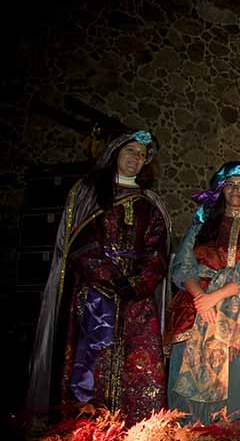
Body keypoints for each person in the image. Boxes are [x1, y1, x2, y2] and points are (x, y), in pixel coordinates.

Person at [27, 130, 171, 423]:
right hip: (95, 296)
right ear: (116, 153)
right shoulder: (89, 193)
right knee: (92, 363)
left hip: (137, 300)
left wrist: (139, 283)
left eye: (142, 155)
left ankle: (137, 433)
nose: (136, 159)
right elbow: (80, 244)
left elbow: (158, 251)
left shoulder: (150, 202)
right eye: (131, 152)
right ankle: (87, 432)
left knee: (139, 365)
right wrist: (110, 279)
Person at [166, 162, 240, 423]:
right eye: (230, 185)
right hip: (193, 306)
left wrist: (214, 297)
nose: (236, 190)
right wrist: (199, 297)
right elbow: (183, 264)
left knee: (233, 372)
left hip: (235, 309)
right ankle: (183, 439)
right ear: (221, 190)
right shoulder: (201, 224)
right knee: (183, 369)